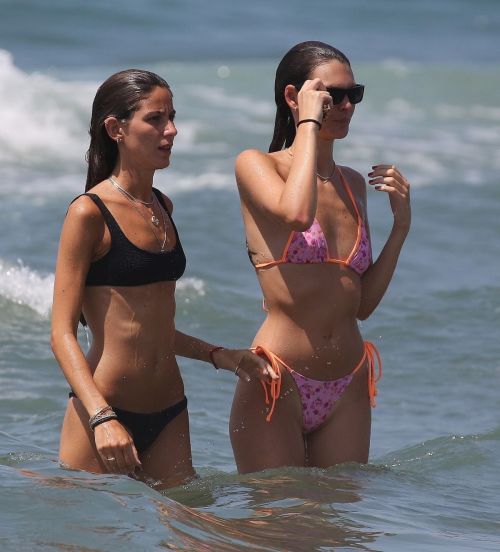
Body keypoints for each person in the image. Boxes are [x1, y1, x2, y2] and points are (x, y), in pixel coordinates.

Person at [51, 69, 276, 489]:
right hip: (104, 412)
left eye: (172, 117)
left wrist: (218, 354)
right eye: (155, 119)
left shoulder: (163, 206)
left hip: (170, 409)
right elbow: (61, 334)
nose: (171, 130)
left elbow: (151, 327)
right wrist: (102, 418)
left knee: (190, 533)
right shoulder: (88, 213)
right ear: (116, 128)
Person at [230, 41, 411, 473]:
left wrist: (401, 227)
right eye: (333, 95)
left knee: (338, 532)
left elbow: (361, 305)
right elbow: (296, 212)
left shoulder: (353, 183)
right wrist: (308, 123)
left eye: (355, 95)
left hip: (348, 380)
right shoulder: (258, 166)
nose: (346, 105)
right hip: (278, 378)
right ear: (294, 97)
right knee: (276, 528)